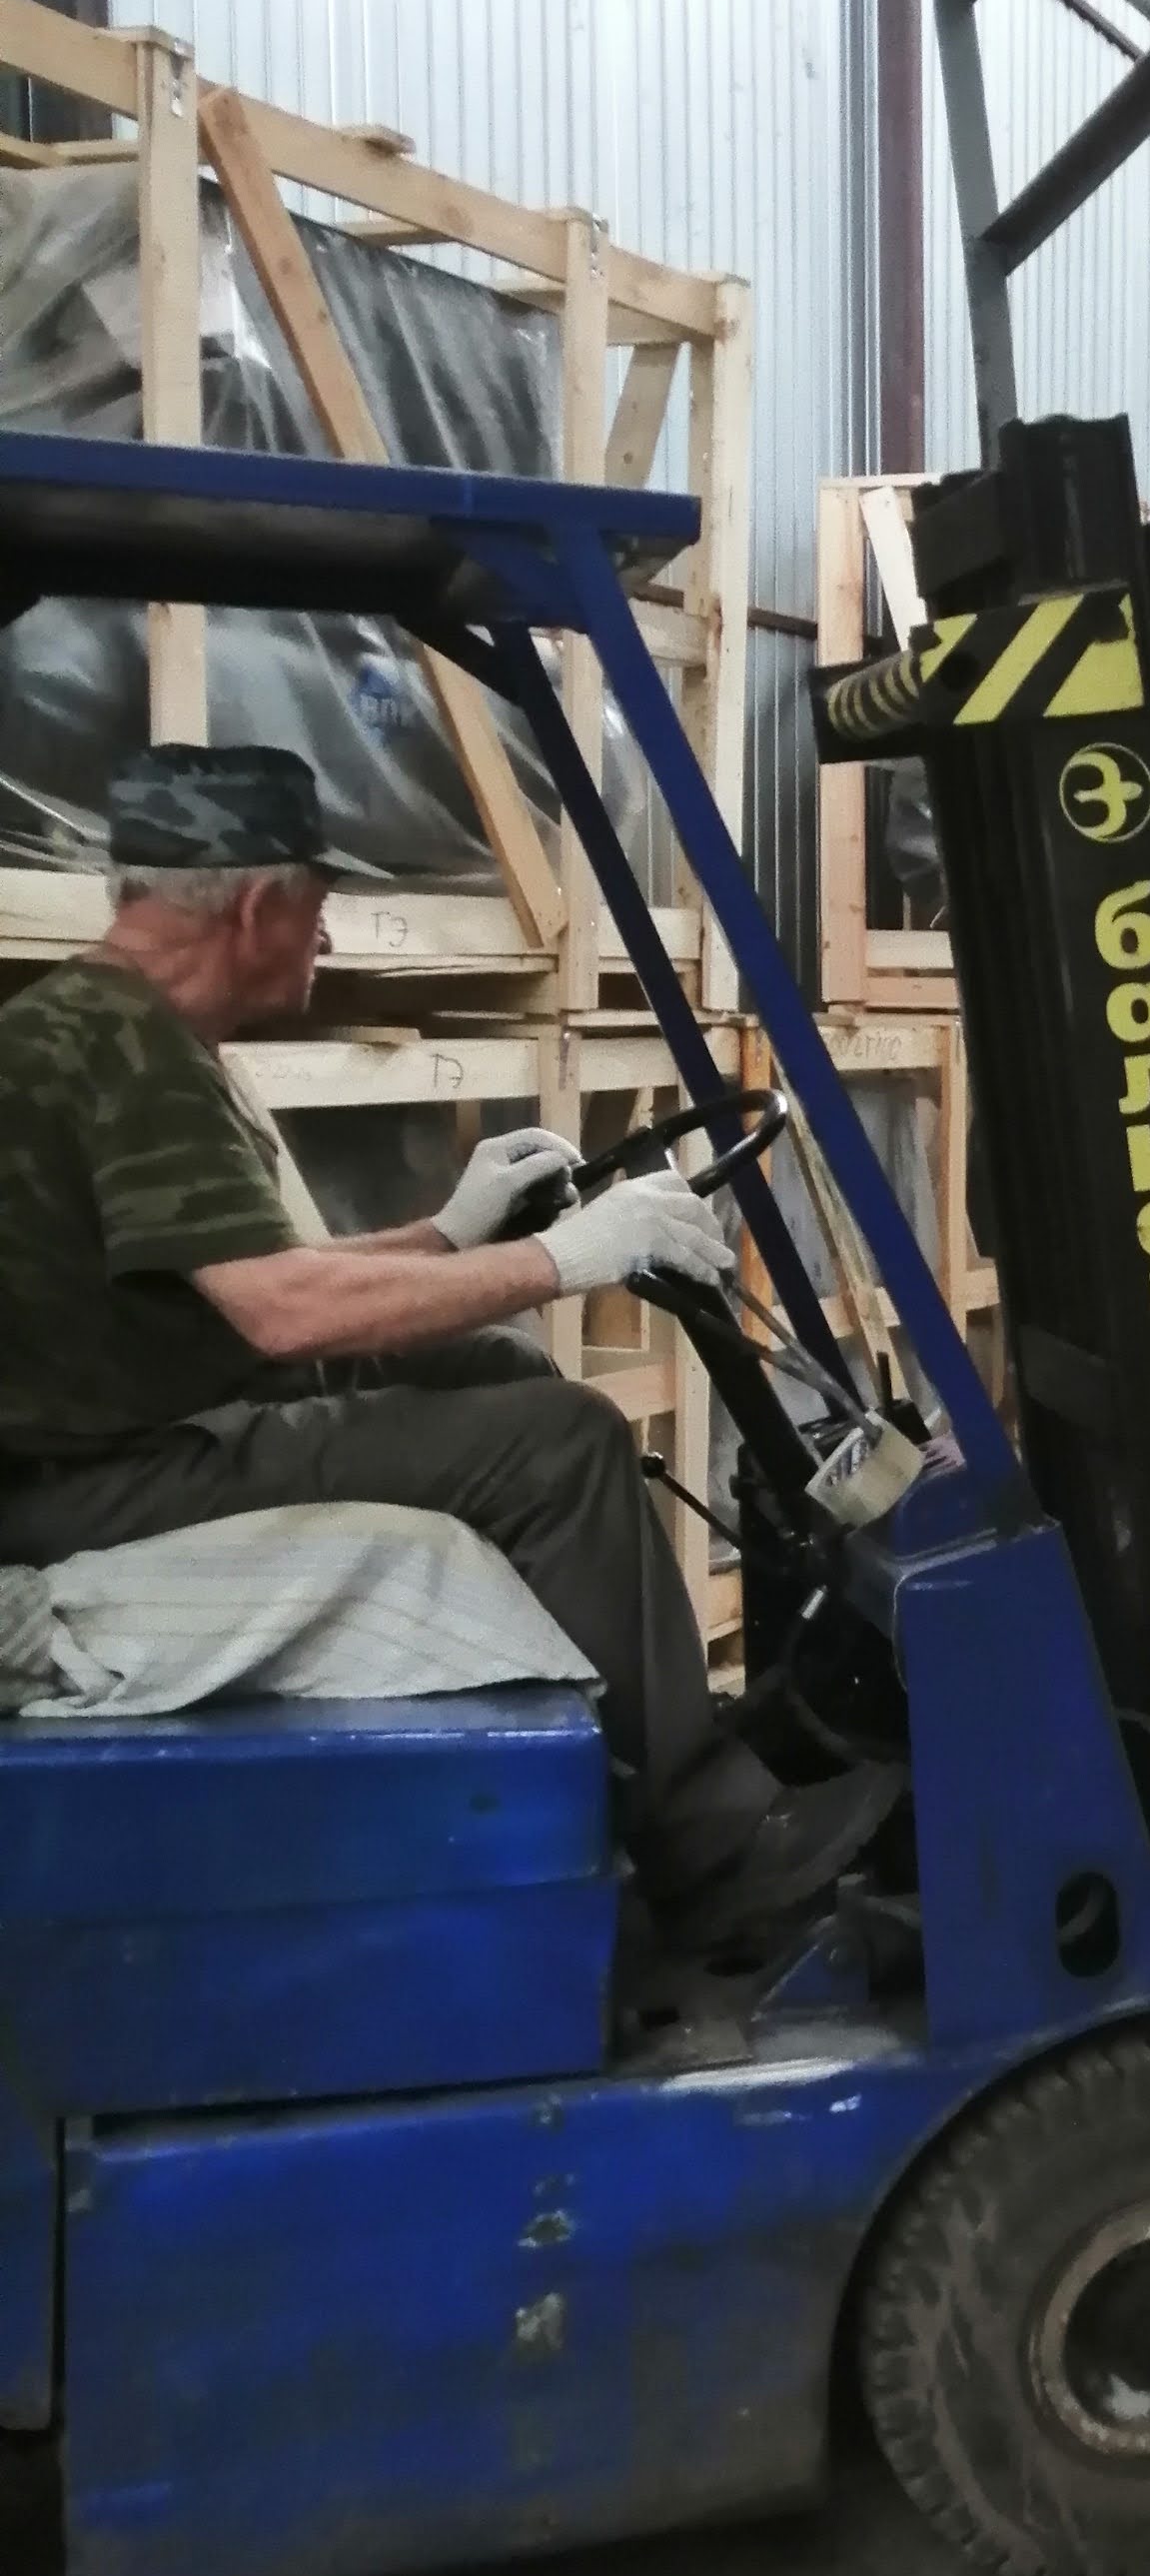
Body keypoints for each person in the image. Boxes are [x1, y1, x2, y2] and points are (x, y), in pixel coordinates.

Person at [0, 742, 894, 1935]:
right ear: (258, 906)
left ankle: (606, 1754)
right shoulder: (125, 1047)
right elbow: (286, 1313)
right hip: (96, 1479)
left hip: (118, 1432)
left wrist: (449, 1233)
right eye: (318, 904)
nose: (326, 936)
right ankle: (708, 1844)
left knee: (497, 1363)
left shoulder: (96, 1024)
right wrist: (567, 1257)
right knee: (565, 1440)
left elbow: (255, 1277)